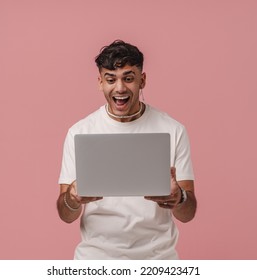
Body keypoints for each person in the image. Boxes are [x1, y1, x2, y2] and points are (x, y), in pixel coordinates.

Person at [57, 40, 197, 259]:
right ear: (100, 82)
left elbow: (188, 213)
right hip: (95, 261)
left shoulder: (173, 130)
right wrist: (72, 199)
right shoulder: (79, 132)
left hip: (158, 261)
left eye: (128, 78)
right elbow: (65, 214)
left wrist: (179, 198)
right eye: (111, 79)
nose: (120, 88)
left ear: (142, 80)